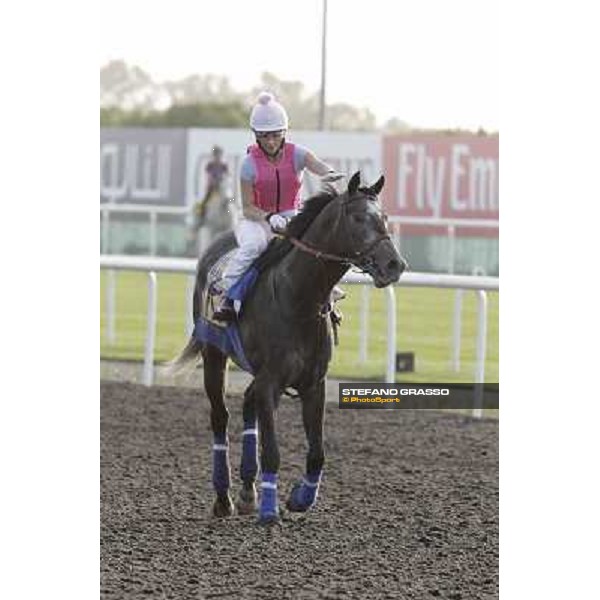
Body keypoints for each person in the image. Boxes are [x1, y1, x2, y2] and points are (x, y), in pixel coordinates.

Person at [213, 91, 345, 322]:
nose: (271, 142)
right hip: (255, 219)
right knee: (255, 245)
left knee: (316, 243)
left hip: (292, 215)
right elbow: (247, 208)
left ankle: (328, 294)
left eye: (275, 135)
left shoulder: (298, 154)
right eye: (264, 136)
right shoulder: (248, 164)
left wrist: (330, 173)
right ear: (256, 136)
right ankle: (227, 293)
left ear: (284, 133)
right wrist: (269, 217)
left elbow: (317, 165)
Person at [195, 145, 229, 225]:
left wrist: (223, 180)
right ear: (214, 155)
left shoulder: (223, 165)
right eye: (216, 154)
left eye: (219, 154)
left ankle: (228, 215)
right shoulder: (210, 165)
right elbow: (209, 175)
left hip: (221, 186)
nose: (218, 156)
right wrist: (213, 181)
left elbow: (227, 175)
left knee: (228, 200)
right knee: (205, 201)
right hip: (212, 186)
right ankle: (201, 218)